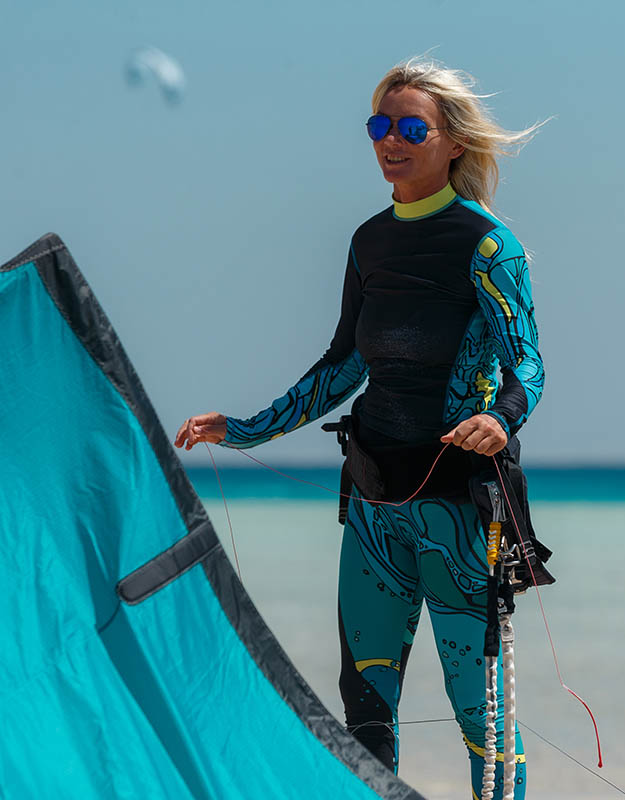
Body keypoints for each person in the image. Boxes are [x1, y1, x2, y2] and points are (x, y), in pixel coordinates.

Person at [175, 57, 545, 800]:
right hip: (374, 506)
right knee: (365, 708)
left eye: (413, 128)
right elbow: (342, 366)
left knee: (484, 718)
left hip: (459, 511)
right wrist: (244, 430)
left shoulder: (487, 245)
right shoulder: (368, 242)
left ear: (452, 144)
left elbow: (527, 368)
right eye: (381, 126)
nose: (392, 142)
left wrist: (499, 420)